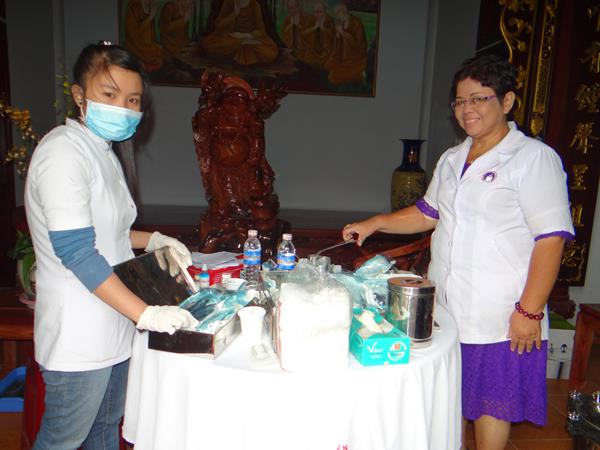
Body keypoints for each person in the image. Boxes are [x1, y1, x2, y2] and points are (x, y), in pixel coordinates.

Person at [342, 54, 574, 450]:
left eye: (479, 98)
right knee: (451, 397)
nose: (468, 109)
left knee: (490, 405)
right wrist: (376, 222)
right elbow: (427, 213)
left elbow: (551, 239)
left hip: (501, 311)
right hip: (448, 306)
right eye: (460, 101)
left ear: (507, 101)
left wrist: (529, 311)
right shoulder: (452, 158)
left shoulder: (533, 159)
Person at [24, 42, 198, 449]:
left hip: (113, 325)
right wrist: (146, 314)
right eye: (109, 93)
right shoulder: (63, 153)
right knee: (63, 440)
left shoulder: (102, 151)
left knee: (104, 433)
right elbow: (77, 251)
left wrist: (153, 239)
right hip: (80, 332)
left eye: (132, 99)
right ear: (79, 95)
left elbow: (109, 230)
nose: (122, 107)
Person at [200, 0, 278, 66]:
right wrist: (234, 14)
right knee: (210, 44)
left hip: (249, 38)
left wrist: (245, 35)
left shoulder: (254, 5)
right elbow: (219, 26)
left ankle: (243, 44)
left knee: (270, 50)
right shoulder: (229, 2)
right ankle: (243, 43)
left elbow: (261, 30)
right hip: (232, 38)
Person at [324, 4, 367, 84]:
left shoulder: (357, 23)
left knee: (332, 76)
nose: (337, 17)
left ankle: (359, 75)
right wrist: (338, 37)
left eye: (337, 14)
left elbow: (358, 45)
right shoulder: (342, 24)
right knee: (327, 67)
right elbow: (339, 46)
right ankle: (354, 74)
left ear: (343, 12)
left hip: (355, 60)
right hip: (343, 59)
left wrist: (343, 33)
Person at [124, 0, 164, 71]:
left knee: (160, 54)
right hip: (136, 46)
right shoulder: (134, 8)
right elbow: (134, 33)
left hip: (147, 47)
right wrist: (150, 17)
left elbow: (151, 33)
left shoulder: (150, 7)